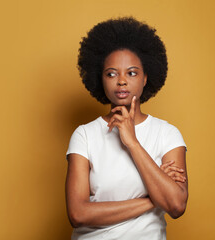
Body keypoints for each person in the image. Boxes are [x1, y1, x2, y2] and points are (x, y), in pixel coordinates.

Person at [65, 17, 188, 240]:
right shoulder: (84, 135)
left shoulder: (167, 134)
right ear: (100, 79)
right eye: (111, 73)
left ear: (145, 78)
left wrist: (132, 142)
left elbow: (177, 205)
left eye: (131, 73)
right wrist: (154, 199)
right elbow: (78, 214)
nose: (121, 81)